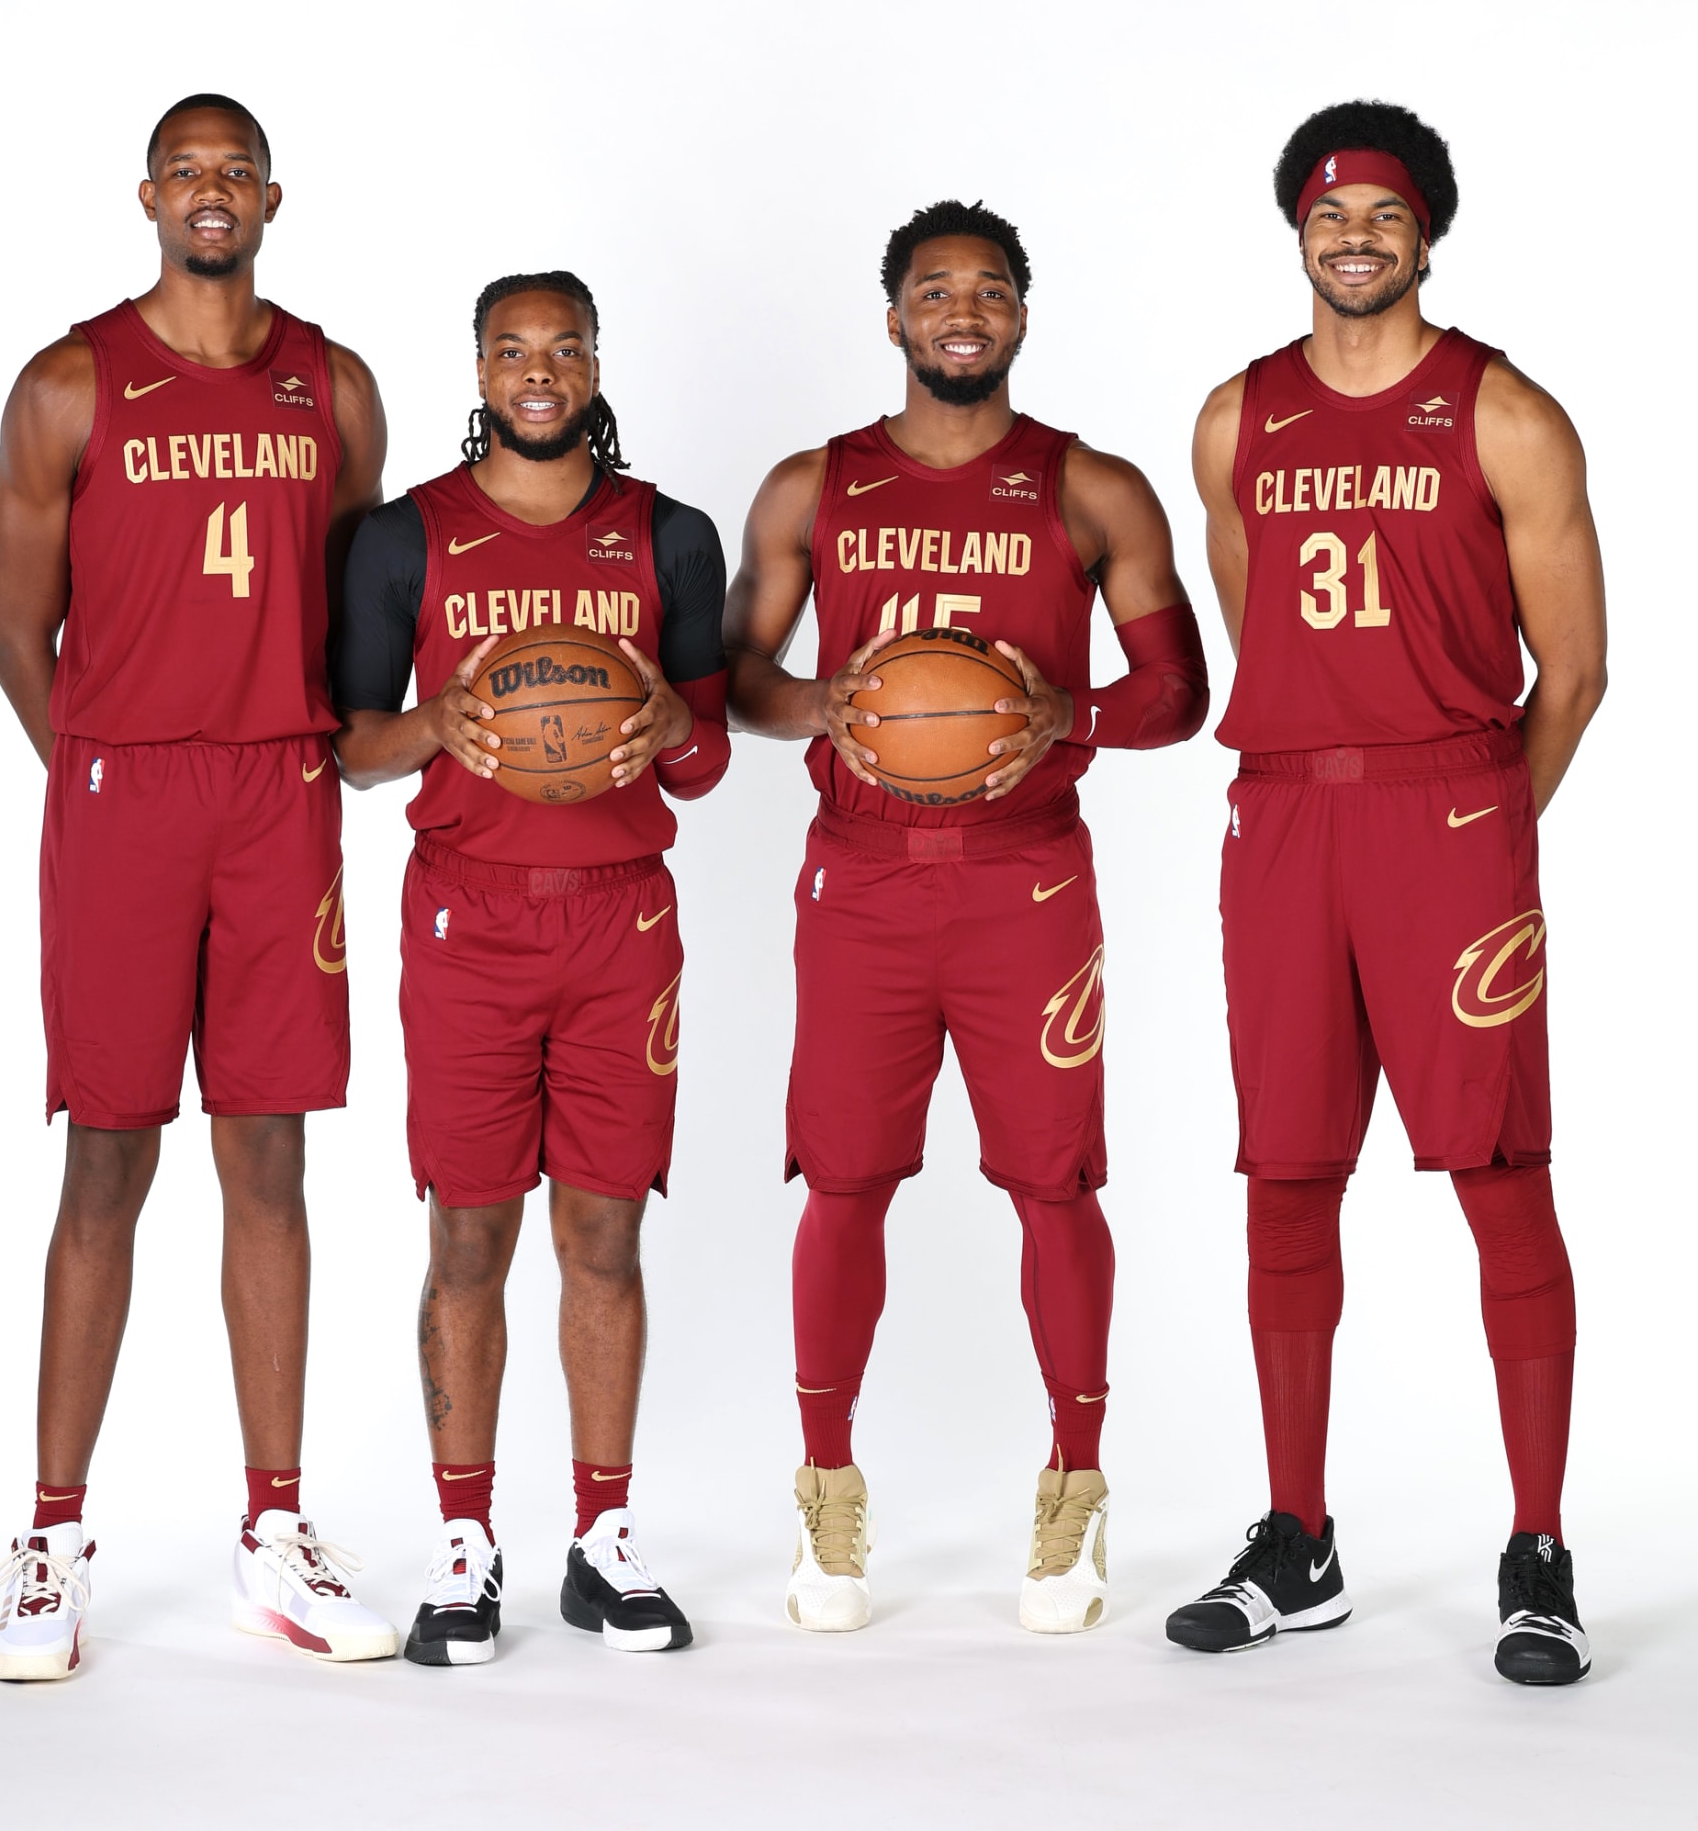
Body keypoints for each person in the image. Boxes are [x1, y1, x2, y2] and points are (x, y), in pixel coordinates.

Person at [1165, 101, 1607, 1686]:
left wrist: (1483, 831)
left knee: (1501, 1173)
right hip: (1284, 818)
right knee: (1284, 1177)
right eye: (1332, 212)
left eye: (1386, 214)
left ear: (1427, 230)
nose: (1357, 235)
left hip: (1450, 813)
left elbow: (1581, 669)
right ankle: (1300, 1539)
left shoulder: (1506, 415)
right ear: (1297, 227)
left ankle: (1540, 1550)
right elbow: (1258, 629)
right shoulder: (1233, 420)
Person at [724, 201, 1208, 1634]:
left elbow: (1183, 697)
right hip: (861, 872)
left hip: (1027, 873)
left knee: (1057, 1183)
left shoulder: (1092, 488)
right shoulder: (813, 485)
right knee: (847, 1183)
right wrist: (824, 705)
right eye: (934, 291)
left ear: (1021, 316)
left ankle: (1074, 1492)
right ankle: (825, 1491)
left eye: (989, 291)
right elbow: (738, 673)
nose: (962, 312)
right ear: (892, 319)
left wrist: (1073, 712)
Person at [0, 95, 396, 1678]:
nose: (212, 194)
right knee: (106, 1157)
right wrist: (99, 777)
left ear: (272, 198)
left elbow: (355, 602)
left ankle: (275, 1539)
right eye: (189, 172)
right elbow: (19, 629)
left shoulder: (334, 383)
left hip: (279, 789)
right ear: (148, 193)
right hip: (127, 790)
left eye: (239, 173)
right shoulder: (70, 381)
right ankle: (51, 1538)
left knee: (271, 1154)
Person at [334, 270, 729, 1661]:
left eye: (565, 348)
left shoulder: (669, 536)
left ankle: (605, 1539)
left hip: (622, 918)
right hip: (468, 918)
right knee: (467, 1234)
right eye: (515, 350)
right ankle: (463, 1539)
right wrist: (439, 720)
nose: (541, 372)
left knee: (605, 1233)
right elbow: (350, 747)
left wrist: (674, 710)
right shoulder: (403, 539)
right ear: (482, 367)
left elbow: (708, 760)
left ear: (597, 360)